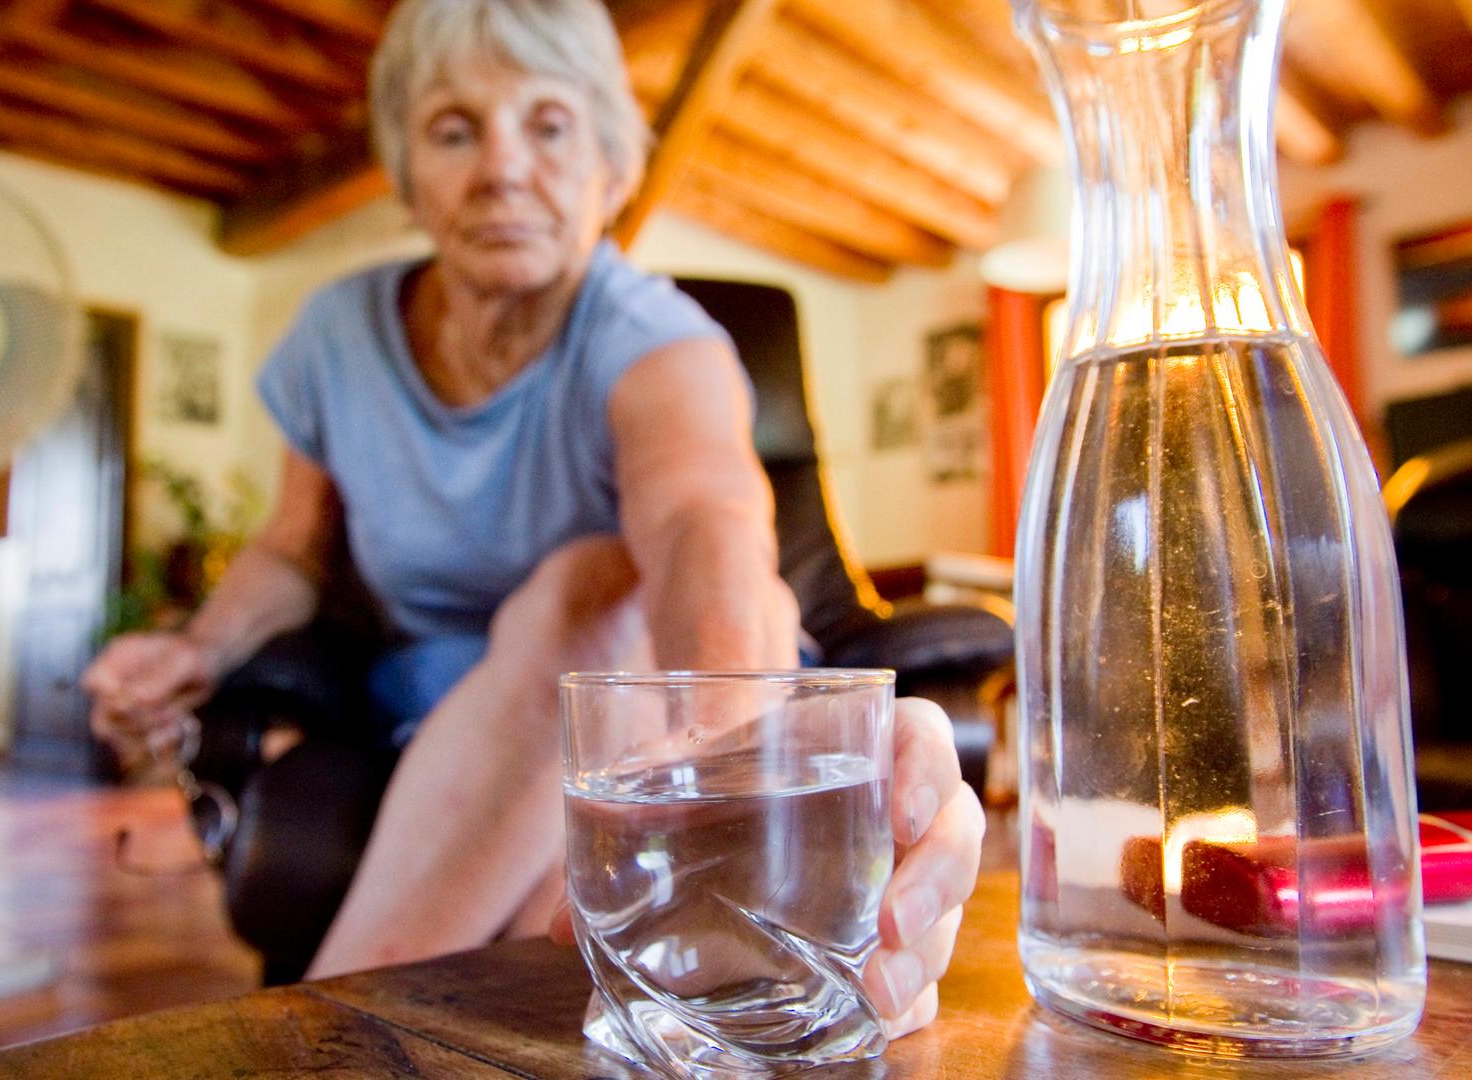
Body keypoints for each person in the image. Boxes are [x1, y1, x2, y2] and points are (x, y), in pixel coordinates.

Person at [81, 0, 983, 1038]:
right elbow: (290, 549)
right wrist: (196, 648)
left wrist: (734, 773)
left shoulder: (654, 338)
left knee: (602, 580)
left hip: (664, 690)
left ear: (611, 167)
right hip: (442, 701)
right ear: (409, 175)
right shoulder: (336, 337)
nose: (502, 167)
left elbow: (705, 527)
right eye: (455, 130)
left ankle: (328, 1041)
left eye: (548, 125)